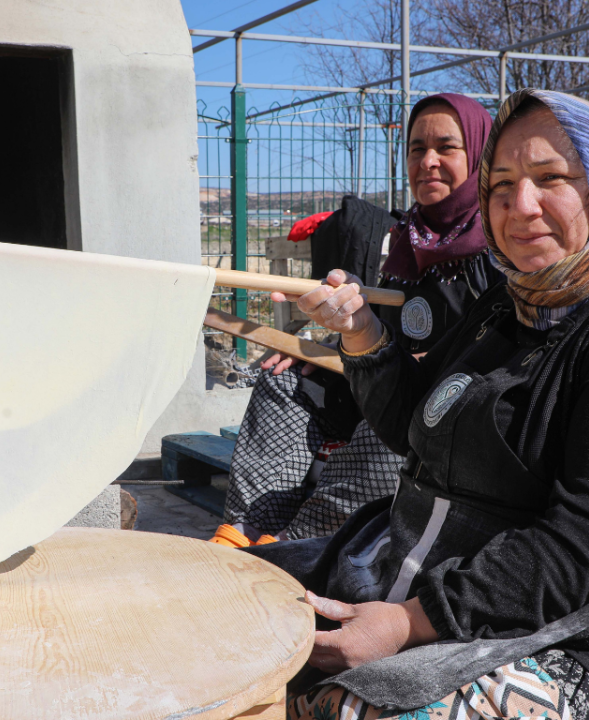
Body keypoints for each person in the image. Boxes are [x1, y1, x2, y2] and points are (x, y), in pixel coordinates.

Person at [249, 89, 589, 720]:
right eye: (504, 184)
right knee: (231, 616)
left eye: (552, 179)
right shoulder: (508, 307)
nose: (522, 206)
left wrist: (406, 625)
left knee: (345, 707)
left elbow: (585, 547)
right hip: (433, 574)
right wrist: (361, 335)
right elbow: (415, 430)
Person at [213, 94, 500, 547]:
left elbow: (506, 350)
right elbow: (377, 329)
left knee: (397, 416)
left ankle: (298, 545)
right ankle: (246, 527)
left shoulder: (499, 249)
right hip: (378, 380)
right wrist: (328, 349)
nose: (427, 161)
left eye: (446, 147)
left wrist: (423, 363)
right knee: (282, 382)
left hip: (443, 407)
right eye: (416, 148)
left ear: (481, 156)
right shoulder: (403, 241)